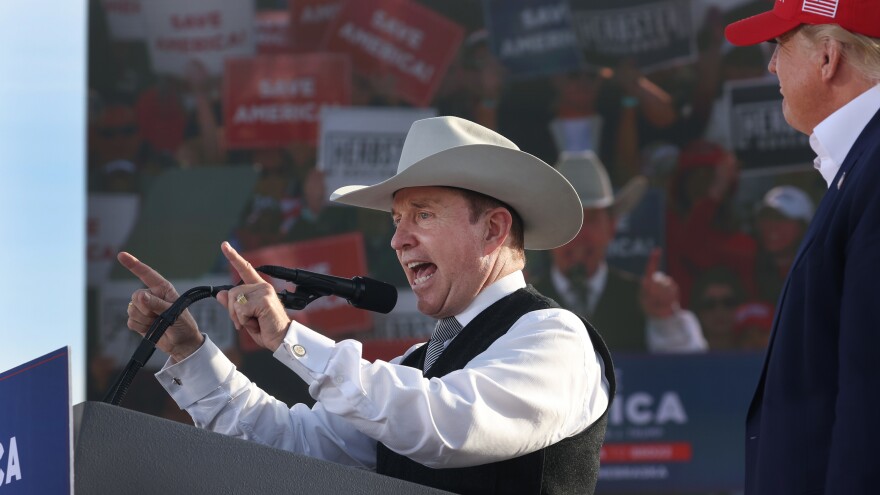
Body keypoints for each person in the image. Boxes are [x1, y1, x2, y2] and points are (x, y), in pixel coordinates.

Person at [119, 116, 615, 494]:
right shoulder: (418, 365)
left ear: (493, 229)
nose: (398, 240)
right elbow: (292, 448)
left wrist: (290, 339)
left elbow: (450, 427)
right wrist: (190, 352)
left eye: (422, 214)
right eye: (397, 220)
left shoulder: (555, 337)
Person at [726, 2, 880, 493]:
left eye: (778, 45)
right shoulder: (861, 167)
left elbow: (870, 389)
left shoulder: (875, 170)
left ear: (828, 57)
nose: (770, 65)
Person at [532, 151, 707, 354]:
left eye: (590, 219)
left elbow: (689, 370)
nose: (578, 235)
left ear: (612, 227)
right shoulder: (523, 302)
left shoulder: (643, 299)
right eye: (567, 221)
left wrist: (664, 318)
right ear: (548, 231)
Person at [752, 185, 814, 306]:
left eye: (782, 219)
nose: (772, 226)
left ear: (803, 227)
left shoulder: (818, 271)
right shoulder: (747, 265)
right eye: (767, 218)